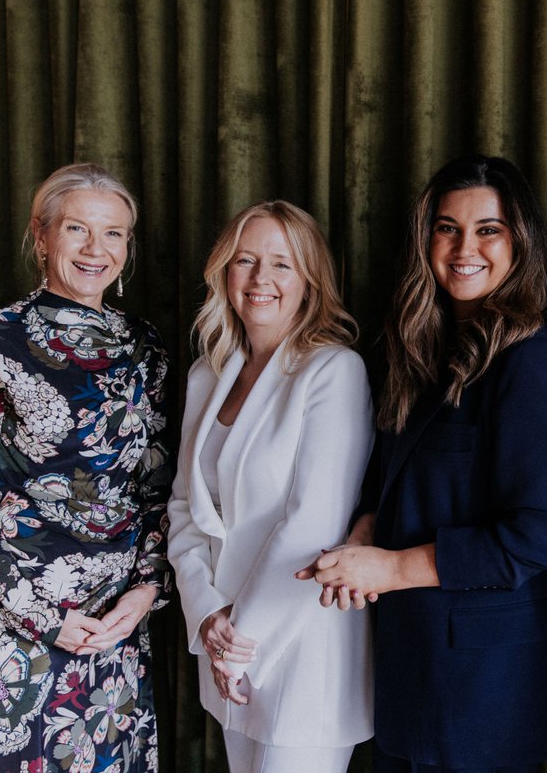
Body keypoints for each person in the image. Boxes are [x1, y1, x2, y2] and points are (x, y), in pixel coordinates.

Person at [300, 155, 547, 773]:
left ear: (521, 243)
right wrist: (368, 525)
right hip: (415, 675)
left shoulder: (533, 366)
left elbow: (536, 541)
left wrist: (392, 567)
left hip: (486, 697)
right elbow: (408, 482)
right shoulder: (427, 351)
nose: (465, 247)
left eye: (489, 229)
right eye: (446, 227)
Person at [0, 163, 171, 772]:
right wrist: (44, 614)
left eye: (114, 233)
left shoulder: (146, 347)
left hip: (116, 627)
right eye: (78, 229)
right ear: (41, 237)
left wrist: (146, 592)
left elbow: (156, 485)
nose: (97, 249)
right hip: (17, 628)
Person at [166, 201, 374, 773]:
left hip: (302, 648)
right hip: (225, 651)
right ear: (224, 272)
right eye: (246, 260)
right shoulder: (208, 373)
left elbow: (314, 523)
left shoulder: (333, 370)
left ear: (309, 280)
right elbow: (184, 506)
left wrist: (239, 641)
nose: (261, 280)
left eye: (282, 264)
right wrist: (207, 616)